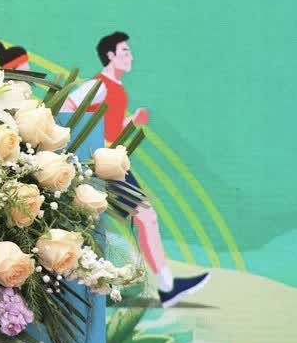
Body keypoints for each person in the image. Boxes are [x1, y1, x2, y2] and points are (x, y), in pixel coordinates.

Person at [64, 31, 210, 309]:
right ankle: (164, 287)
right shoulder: (100, 85)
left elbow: (111, 129)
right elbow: (68, 106)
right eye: (125, 51)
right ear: (110, 55)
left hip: (112, 163)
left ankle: (163, 286)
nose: (130, 56)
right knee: (144, 217)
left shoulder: (117, 89)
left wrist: (132, 121)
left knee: (142, 219)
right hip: (103, 166)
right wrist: (85, 150)